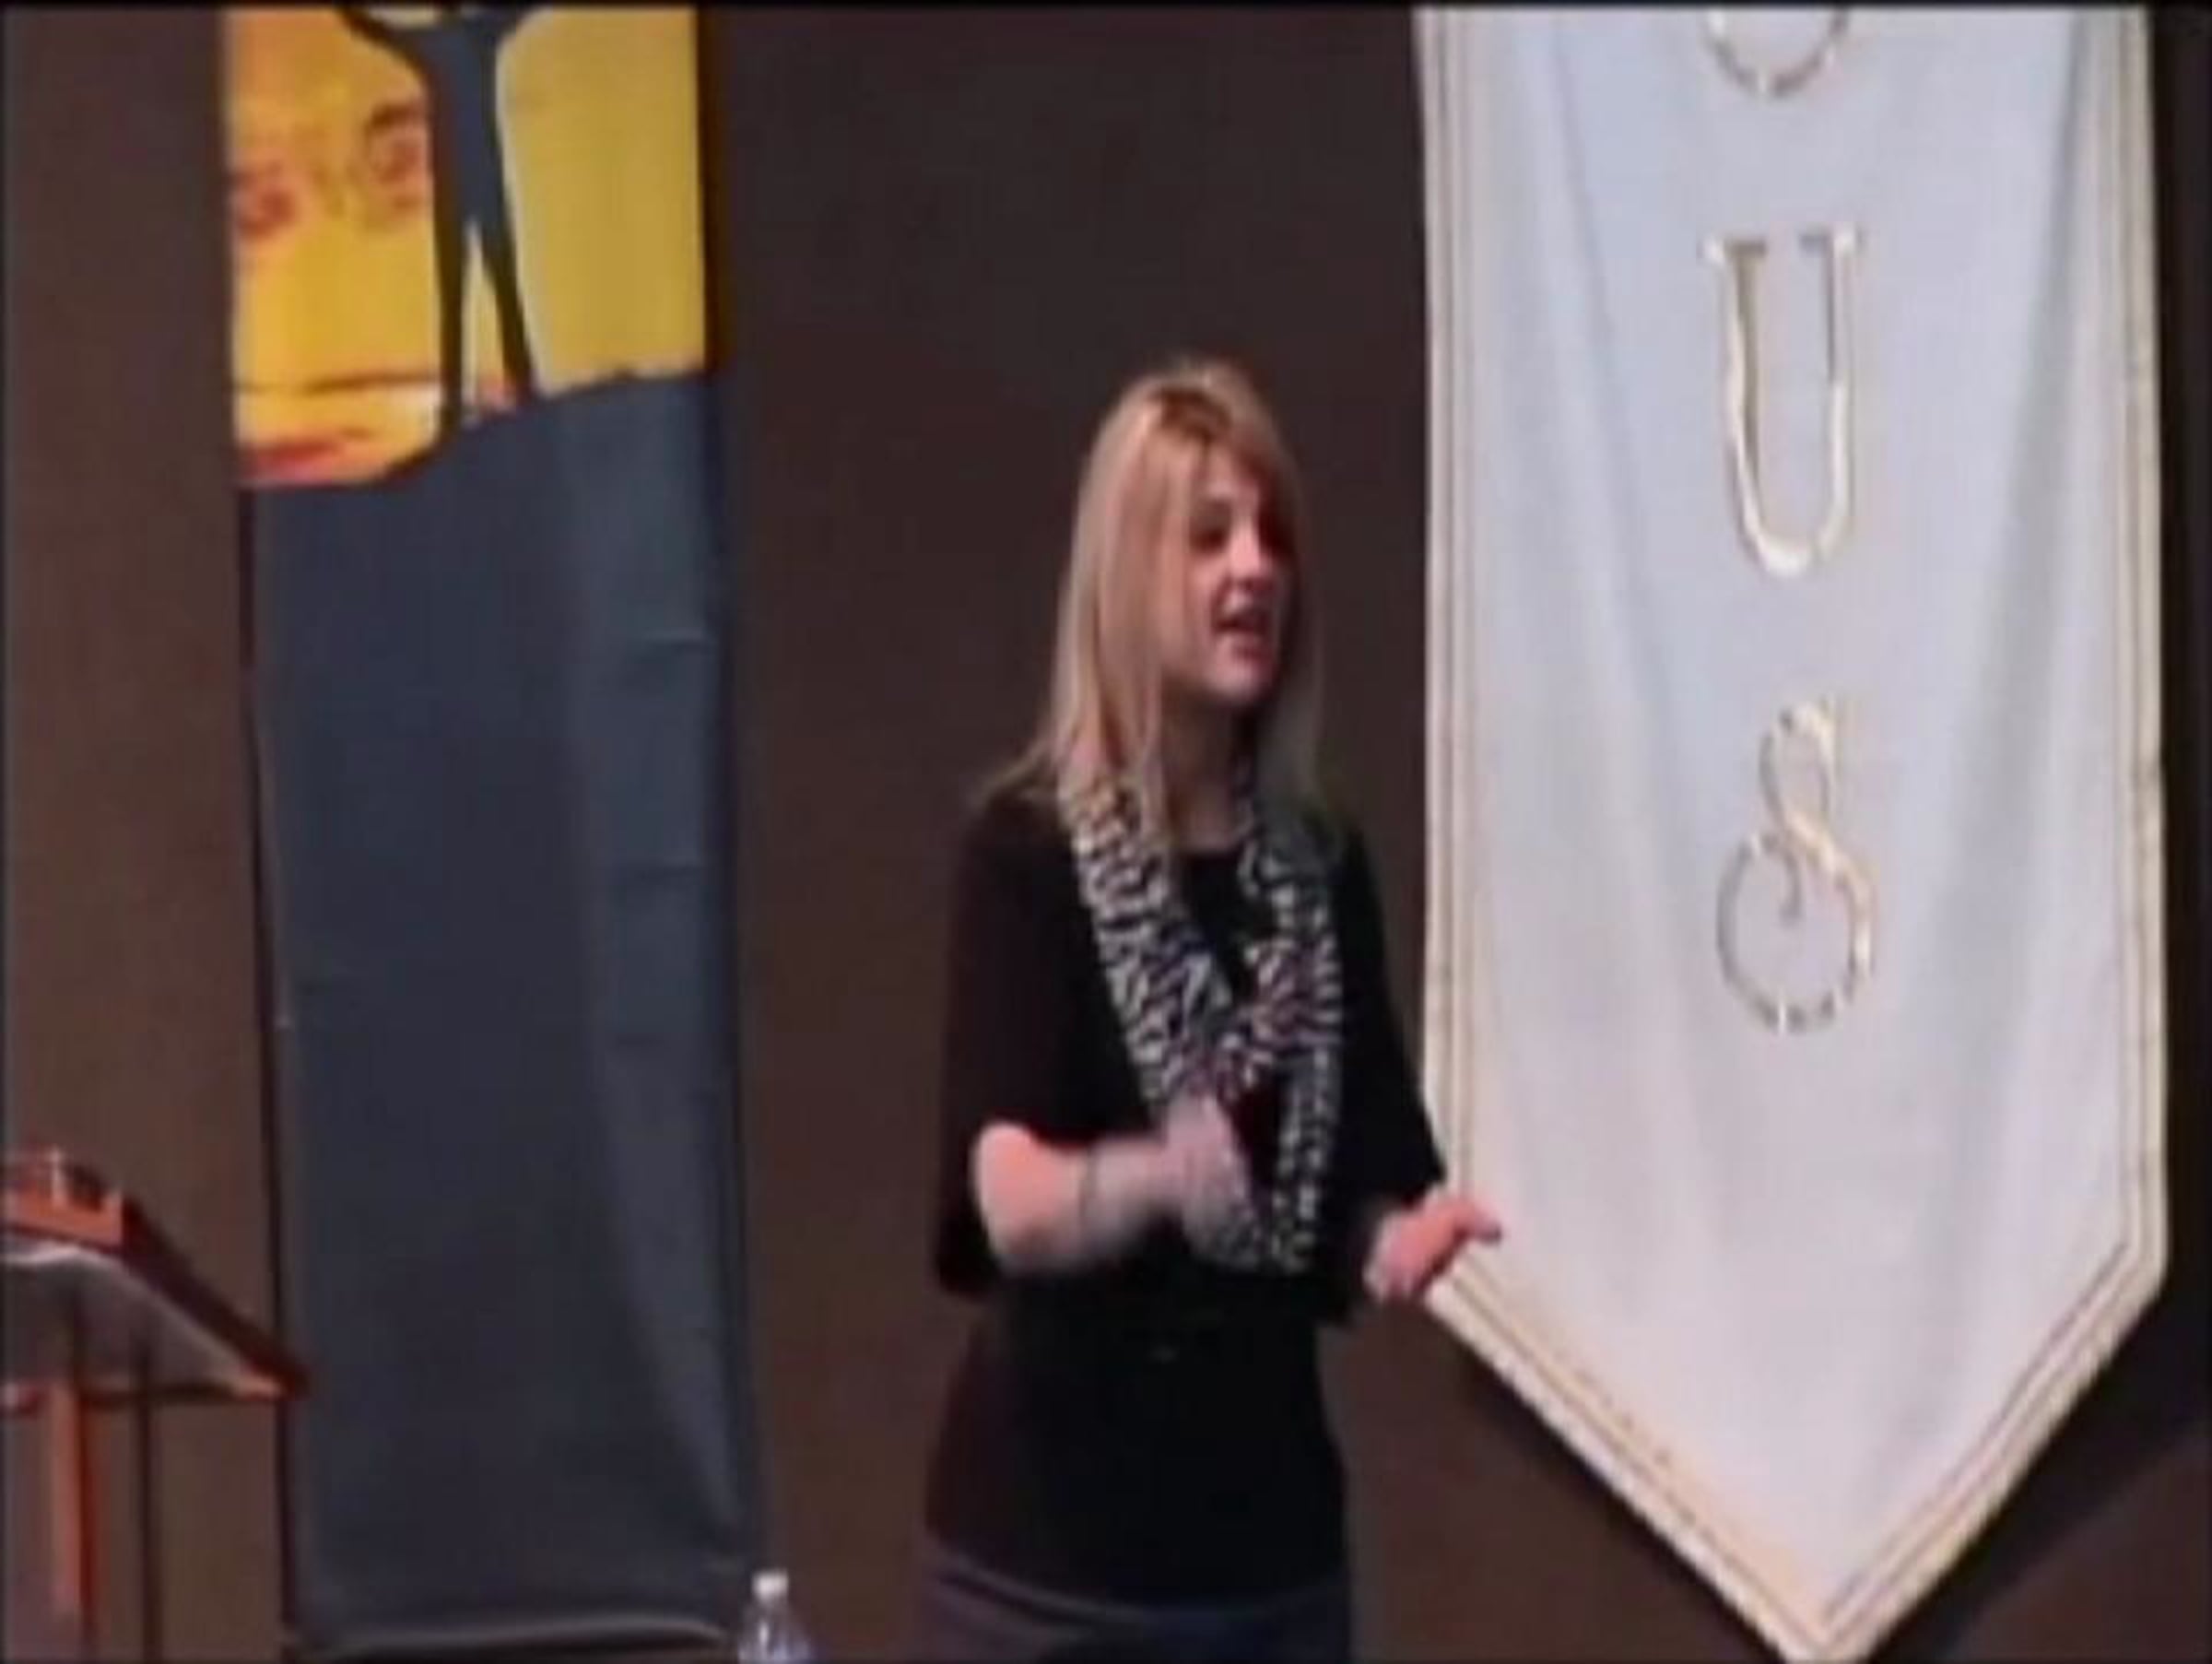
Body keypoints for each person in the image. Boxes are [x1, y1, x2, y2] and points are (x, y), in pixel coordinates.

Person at [920, 357, 1502, 1661]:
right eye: (1209, 539)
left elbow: (1346, 1182)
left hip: (1265, 1561)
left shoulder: (1318, 868)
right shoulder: (1028, 860)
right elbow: (1007, 1193)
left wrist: (1392, 1239)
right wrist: (1156, 1176)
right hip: (1055, 1572)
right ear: (1126, 574)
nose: (1255, 571)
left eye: (1271, 537)